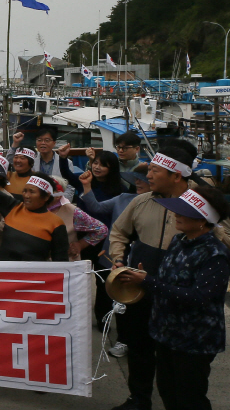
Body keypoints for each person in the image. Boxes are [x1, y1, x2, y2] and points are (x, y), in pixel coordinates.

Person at [116, 185, 230, 410]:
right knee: (168, 392)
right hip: (166, 334)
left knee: (190, 398)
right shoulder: (179, 241)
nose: (175, 215)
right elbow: (169, 281)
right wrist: (142, 278)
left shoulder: (215, 254)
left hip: (193, 341)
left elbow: (199, 297)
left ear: (202, 220)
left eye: (183, 211)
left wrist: (148, 281)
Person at [106, 147, 198, 410]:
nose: (149, 174)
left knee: (174, 357)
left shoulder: (201, 204)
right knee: (139, 347)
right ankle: (139, 398)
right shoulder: (142, 201)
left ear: (177, 175)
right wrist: (119, 258)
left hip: (177, 294)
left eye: (155, 170)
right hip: (138, 288)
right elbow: (119, 232)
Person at [80, 166, 151, 357]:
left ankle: (146, 341)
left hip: (146, 259)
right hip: (116, 256)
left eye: (143, 178)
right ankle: (122, 340)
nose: (138, 182)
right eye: (135, 178)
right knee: (120, 300)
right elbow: (96, 208)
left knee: (145, 302)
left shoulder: (164, 205)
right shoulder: (123, 199)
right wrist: (87, 186)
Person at [0, 152, 69, 262]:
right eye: (25, 191)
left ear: (46, 197)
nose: (26, 196)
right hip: (4, 273)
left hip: (32, 276)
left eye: (32, 192)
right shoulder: (13, 207)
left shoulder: (56, 224)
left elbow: (60, 260)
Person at [46, 176, 108, 262]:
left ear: (58, 195)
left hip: (65, 265)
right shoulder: (31, 208)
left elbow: (101, 229)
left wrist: (80, 244)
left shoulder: (73, 212)